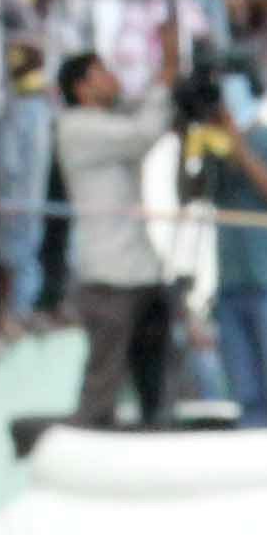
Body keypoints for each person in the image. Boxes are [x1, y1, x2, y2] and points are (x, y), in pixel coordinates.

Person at [56, 51, 177, 429]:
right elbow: (143, 134)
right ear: (82, 88)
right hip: (109, 275)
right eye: (102, 72)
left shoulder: (110, 120)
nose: (113, 77)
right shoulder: (77, 127)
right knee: (102, 386)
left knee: (156, 388)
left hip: (142, 270)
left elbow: (144, 120)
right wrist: (165, 81)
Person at [189, 84, 267, 429]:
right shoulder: (215, 147)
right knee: (246, 398)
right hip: (229, 285)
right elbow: (190, 193)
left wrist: (238, 145)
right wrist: (194, 144)